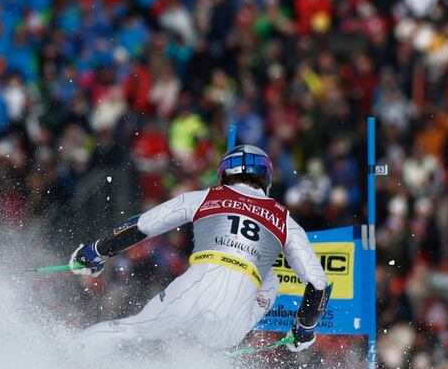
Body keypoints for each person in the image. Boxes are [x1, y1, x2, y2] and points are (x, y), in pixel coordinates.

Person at [68, 145, 331, 356]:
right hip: (229, 326)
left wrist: (93, 252)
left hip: (188, 296)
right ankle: (199, 366)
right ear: (266, 179)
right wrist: (303, 329)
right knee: (270, 277)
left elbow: (142, 226)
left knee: (134, 329)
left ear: (224, 174)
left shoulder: (206, 196)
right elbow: (319, 284)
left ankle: (69, 353)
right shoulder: (284, 218)